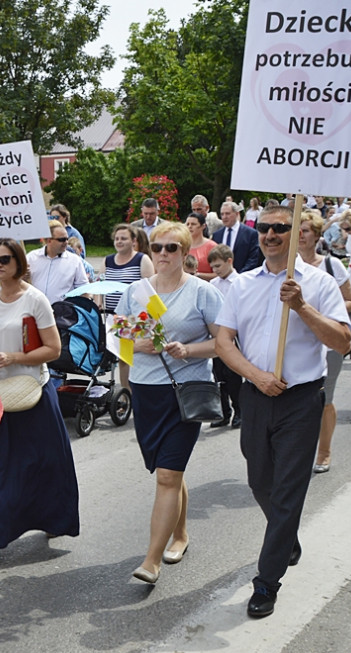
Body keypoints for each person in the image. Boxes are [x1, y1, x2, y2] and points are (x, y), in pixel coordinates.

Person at [214, 204, 351, 619]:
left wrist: (303, 307)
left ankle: (267, 581)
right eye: (265, 228)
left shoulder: (320, 283)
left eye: (281, 228)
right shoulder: (241, 285)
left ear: (298, 236)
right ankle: (285, 535)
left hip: (301, 398)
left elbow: (343, 342)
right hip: (256, 394)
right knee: (260, 480)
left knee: (289, 491)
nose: (272, 234)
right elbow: (224, 342)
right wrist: (255, 377)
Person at [116, 222, 223, 584]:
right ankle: (180, 535)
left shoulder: (202, 293)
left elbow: (224, 343)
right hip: (147, 391)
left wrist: (188, 349)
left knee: (167, 475)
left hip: (186, 391)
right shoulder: (136, 291)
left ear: (185, 252)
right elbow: (118, 332)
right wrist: (135, 343)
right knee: (167, 472)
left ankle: (151, 561)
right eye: (157, 247)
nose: (163, 254)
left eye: (171, 248)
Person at [0, 239, 80, 566]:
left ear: (18, 262)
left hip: (33, 392)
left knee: (43, 464)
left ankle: (53, 520)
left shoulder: (36, 300)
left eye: (4, 259)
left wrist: (15, 356)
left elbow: (54, 350)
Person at [296, 211, 351, 472]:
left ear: (318, 235)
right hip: (297, 342)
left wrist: (318, 313)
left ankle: (324, 451)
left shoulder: (332, 265)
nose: (300, 235)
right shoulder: (287, 265)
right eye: (297, 230)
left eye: (306, 230)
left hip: (328, 343)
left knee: (325, 397)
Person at [103, 223, 155, 391]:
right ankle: (125, 392)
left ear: (133, 241)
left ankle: (140, 389)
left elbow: (150, 289)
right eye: (117, 239)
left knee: (138, 353)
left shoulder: (142, 259)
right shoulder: (108, 260)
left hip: (137, 316)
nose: (119, 241)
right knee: (123, 355)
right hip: (116, 316)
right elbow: (101, 283)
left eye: (124, 238)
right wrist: (98, 301)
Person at [206, 245, 242, 428]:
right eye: (213, 267)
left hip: (234, 335)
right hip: (216, 335)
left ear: (230, 261)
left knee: (233, 376)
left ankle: (239, 411)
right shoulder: (213, 285)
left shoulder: (240, 283)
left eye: (218, 266)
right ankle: (223, 412)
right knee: (218, 376)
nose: (215, 270)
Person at [27, 220, 89, 304]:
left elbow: (83, 290)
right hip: (35, 310)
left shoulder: (74, 261)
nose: (66, 242)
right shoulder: (31, 258)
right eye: (62, 239)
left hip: (63, 313)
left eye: (67, 239)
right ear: (49, 240)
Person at [211, 201, 263, 273]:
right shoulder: (217, 235)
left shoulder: (250, 234)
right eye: (222, 214)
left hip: (243, 277)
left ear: (236, 214)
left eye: (228, 213)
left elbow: (253, 259)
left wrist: (239, 276)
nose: (224, 217)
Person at [185, 213, 216, 277]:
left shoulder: (212, 246)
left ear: (203, 226)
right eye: (187, 224)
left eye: (193, 224)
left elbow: (219, 273)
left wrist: (199, 275)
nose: (190, 226)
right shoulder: (182, 245)